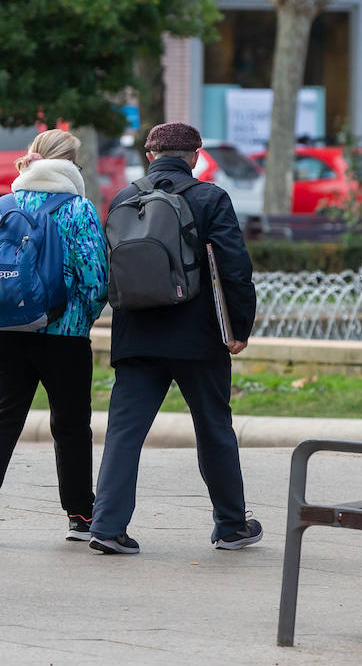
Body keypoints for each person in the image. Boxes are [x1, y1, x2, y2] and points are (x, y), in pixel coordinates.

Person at [89, 122, 258, 555]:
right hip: (197, 337)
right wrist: (238, 328)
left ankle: (107, 526)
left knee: (124, 433)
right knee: (214, 428)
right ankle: (231, 526)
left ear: (150, 155)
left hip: (136, 334)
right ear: (196, 156)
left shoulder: (124, 198)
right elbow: (235, 269)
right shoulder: (210, 198)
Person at [0, 129, 108, 545]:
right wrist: (81, 320)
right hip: (63, 333)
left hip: (2, 330)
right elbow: (95, 277)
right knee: (72, 425)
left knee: (2, 417)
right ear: (72, 165)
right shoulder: (77, 208)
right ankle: (80, 516)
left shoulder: (0, 205)